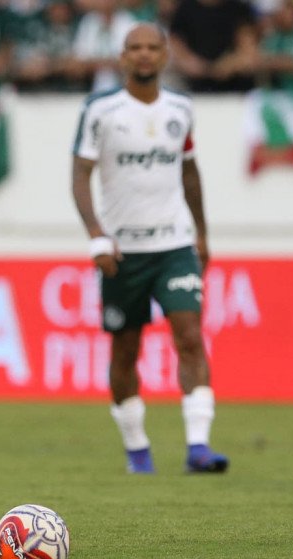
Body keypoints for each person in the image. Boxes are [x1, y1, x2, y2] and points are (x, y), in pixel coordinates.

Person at [71, 23, 229, 475]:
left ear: (165, 55)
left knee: (190, 337)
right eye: (135, 47)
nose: (143, 54)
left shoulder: (181, 108)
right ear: (122, 56)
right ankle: (137, 449)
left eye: (152, 47)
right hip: (123, 253)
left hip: (174, 244)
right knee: (125, 350)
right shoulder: (100, 110)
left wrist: (201, 234)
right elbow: (80, 175)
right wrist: (97, 234)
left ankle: (198, 446)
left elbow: (189, 171)